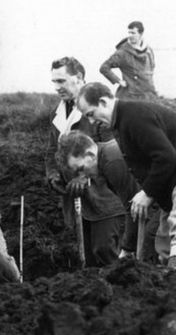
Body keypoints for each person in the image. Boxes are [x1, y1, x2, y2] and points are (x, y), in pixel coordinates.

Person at [76, 82, 176, 271]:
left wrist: (147, 193)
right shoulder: (121, 123)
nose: (92, 122)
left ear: (103, 102)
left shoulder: (134, 116)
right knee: (164, 242)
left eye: (91, 114)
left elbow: (166, 156)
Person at [46, 57, 123, 266]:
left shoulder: (95, 106)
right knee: (88, 257)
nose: (56, 87)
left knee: (105, 250)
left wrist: (84, 176)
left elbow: (111, 150)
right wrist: (53, 174)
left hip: (104, 196)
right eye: (54, 82)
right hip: (74, 197)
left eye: (61, 81)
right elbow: (53, 150)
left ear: (78, 77)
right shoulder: (58, 112)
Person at [56, 130, 143, 260]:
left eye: (81, 169)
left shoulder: (112, 162)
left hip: (167, 196)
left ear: (90, 155)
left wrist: (127, 249)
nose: (83, 176)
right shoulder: (104, 164)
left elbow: (135, 207)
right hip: (155, 199)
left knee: (151, 249)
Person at [100, 21, 157, 100]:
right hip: (131, 96)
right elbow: (104, 67)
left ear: (141, 34)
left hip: (148, 94)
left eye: (133, 33)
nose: (130, 36)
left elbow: (152, 68)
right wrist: (119, 81)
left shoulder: (149, 51)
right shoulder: (122, 52)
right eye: (129, 33)